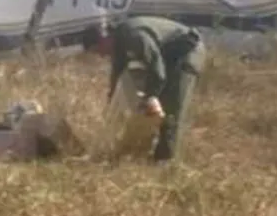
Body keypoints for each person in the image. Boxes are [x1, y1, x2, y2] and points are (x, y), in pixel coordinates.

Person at [82, 15, 206, 162]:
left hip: (187, 53)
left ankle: (165, 161)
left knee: (172, 108)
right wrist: (111, 105)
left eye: (98, 50)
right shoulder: (119, 44)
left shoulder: (133, 35)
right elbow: (118, 75)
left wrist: (151, 96)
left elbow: (157, 69)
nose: (101, 55)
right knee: (154, 109)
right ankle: (146, 153)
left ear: (104, 38)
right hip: (170, 56)